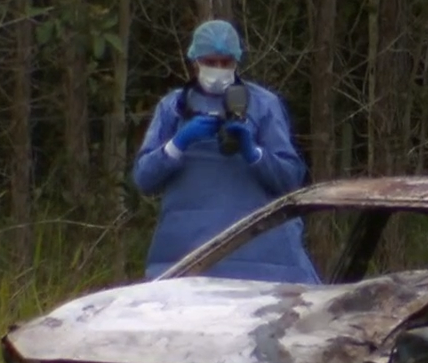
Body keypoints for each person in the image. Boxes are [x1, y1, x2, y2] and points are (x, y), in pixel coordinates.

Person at [132, 19, 321, 284]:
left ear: (237, 61)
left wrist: (253, 152)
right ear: (195, 61)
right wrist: (177, 144)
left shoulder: (264, 105)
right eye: (211, 62)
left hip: (264, 260)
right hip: (187, 258)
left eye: (226, 63)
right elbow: (144, 179)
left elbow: (289, 179)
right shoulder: (173, 107)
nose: (219, 69)